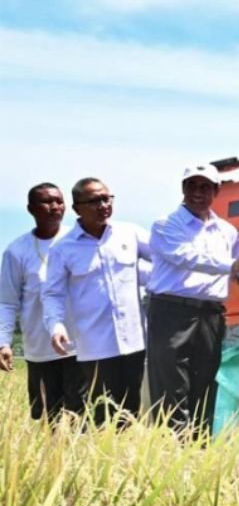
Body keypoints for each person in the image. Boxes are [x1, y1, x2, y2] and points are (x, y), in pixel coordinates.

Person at [147, 163, 239, 435]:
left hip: (211, 314)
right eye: (192, 186)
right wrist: (231, 265)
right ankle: (172, 447)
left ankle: (198, 445)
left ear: (216, 191)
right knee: (171, 383)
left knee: (204, 381)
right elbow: (186, 257)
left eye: (205, 187)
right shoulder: (165, 224)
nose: (197, 192)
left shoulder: (228, 231)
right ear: (183, 189)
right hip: (171, 311)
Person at [42, 178, 152, 426]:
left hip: (135, 341)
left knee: (134, 408)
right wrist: (56, 326)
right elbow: (52, 294)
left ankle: (130, 450)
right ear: (77, 208)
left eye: (106, 198)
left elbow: (165, 259)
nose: (103, 205)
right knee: (104, 412)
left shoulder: (130, 233)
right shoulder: (63, 249)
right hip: (96, 345)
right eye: (94, 201)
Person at [0, 183, 87, 420]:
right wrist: (3, 342)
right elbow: (7, 302)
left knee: (82, 418)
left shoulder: (79, 240)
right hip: (41, 349)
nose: (55, 206)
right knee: (48, 418)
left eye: (59, 201)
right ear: (31, 209)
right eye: (47, 202)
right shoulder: (17, 251)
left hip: (82, 345)